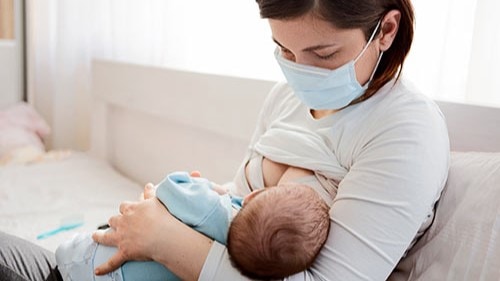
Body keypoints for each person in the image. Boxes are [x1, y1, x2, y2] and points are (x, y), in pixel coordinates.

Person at [0, 0, 450, 280]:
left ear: (386, 31)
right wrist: (184, 203)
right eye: (285, 51)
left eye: (323, 54)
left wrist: (162, 237)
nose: (300, 71)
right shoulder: (285, 99)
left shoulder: (405, 131)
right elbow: (239, 205)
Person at [54, 171, 330, 281]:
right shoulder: (238, 267)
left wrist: (208, 187)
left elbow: (171, 185)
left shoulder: (217, 209)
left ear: (254, 195)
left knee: (80, 246)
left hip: (89, 265)